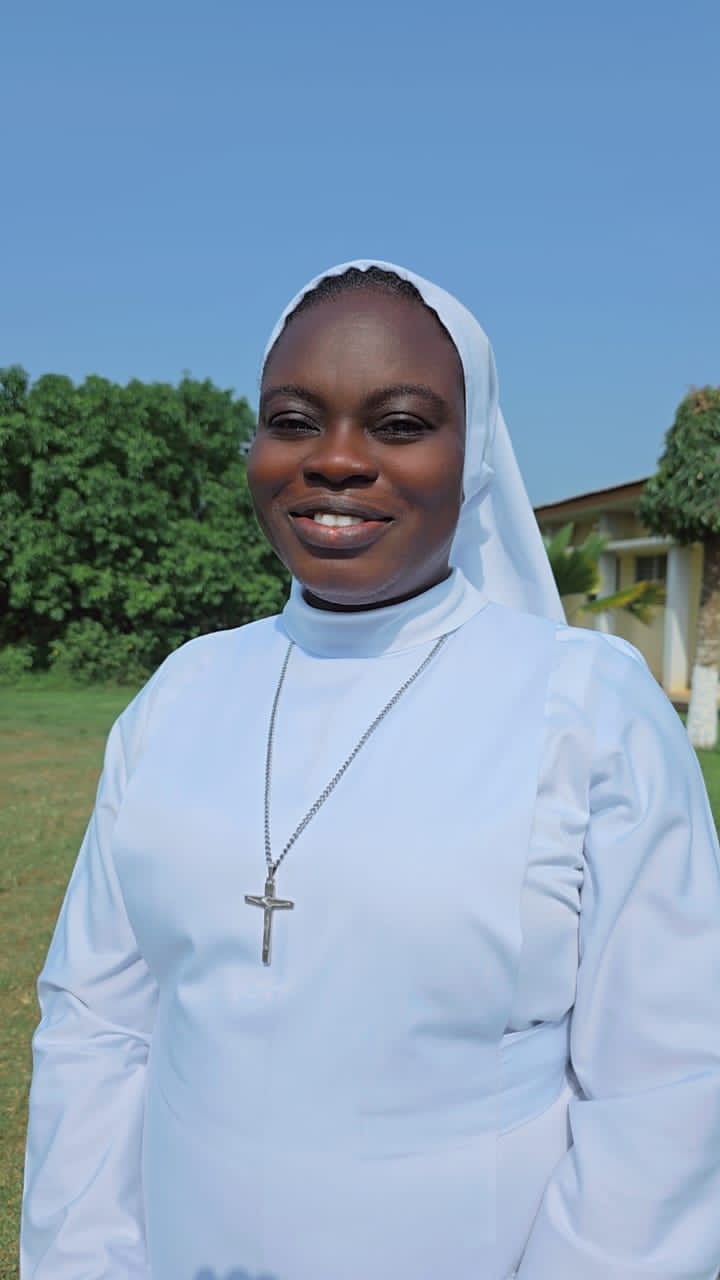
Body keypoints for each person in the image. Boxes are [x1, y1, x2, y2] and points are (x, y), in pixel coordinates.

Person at [20, 260, 720, 1280]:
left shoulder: (588, 710)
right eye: (293, 420)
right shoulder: (183, 694)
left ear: (474, 455)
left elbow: (668, 1086)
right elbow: (99, 1028)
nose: (337, 460)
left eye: (398, 424)